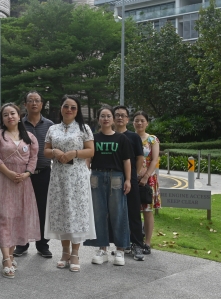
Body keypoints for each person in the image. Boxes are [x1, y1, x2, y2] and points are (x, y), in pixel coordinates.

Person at [44, 95, 95, 272]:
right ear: (61, 108)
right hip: (58, 176)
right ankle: (65, 252)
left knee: (76, 213)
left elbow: (91, 151)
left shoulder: (84, 128)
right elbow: (45, 151)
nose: (69, 110)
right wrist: (55, 152)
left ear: (77, 110)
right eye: (66, 106)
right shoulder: (53, 128)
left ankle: (75, 253)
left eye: (73, 107)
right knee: (62, 213)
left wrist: (74, 153)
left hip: (77, 177)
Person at [0, 103, 40, 278]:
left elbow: (33, 159)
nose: (10, 117)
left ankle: (10, 255)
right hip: (3, 180)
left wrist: (26, 174)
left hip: (23, 183)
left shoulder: (30, 137)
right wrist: (9, 173)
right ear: (2, 119)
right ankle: (6, 258)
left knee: (17, 218)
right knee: (4, 218)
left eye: (13, 113)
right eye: (5, 115)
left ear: (19, 116)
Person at [84, 107, 132, 266]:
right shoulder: (93, 138)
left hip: (116, 177)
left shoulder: (121, 138)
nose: (105, 119)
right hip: (96, 177)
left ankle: (120, 250)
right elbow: (88, 159)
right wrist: (85, 175)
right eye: (102, 116)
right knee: (98, 214)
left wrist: (128, 180)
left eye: (108, 116)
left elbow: (126, 161)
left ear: (112, 119)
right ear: (98, 119)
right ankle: (102, 250)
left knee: (118, 213)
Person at [13, 91, 54, 259]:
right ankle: (21, 244)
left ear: (42, 104)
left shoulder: (50, 125)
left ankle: (43, 245)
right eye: (31, 100)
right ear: (25, 104)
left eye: (37, 100)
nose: (34, 103)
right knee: (21, 209)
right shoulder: (18, 124)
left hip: (44, 172)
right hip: (22, 174)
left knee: (43, 209)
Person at [114, 105, 146, 261]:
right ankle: (122, 244)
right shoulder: (109, 136)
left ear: (127, 119)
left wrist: (133, 174)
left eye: (123, 115)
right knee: (116, 213)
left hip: (130, 178)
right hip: (113, 178)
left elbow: (140, 158)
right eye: (117, 115)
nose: (120, 118)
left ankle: (137, 244)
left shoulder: (133, 137)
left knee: (133, 211)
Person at [133, 111, 161, 254]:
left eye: (142, 120)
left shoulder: (152, 140)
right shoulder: (128, 137)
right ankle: (134, 241)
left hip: (148, 180)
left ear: (147, 123)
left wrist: (146, 177)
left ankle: (147, 243)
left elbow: (155, 160)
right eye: (136, 120)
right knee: (132, 211)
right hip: (131, 179)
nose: (139, 123)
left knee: (147, 211)